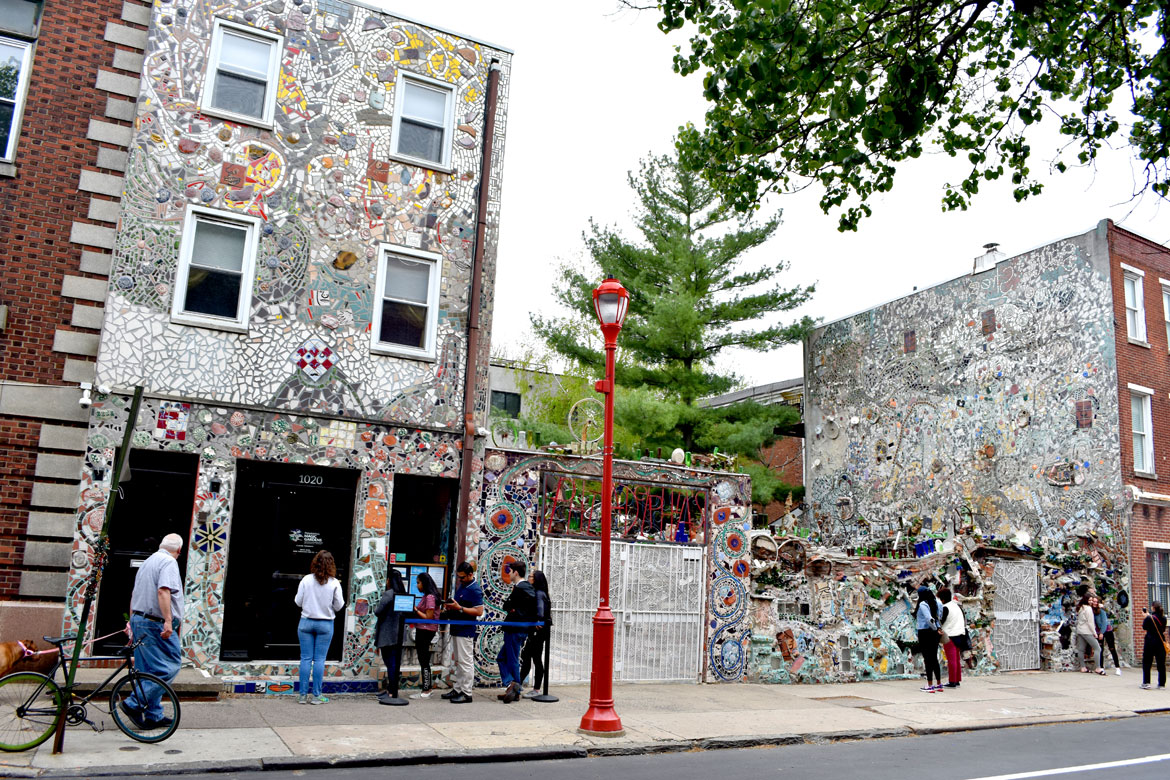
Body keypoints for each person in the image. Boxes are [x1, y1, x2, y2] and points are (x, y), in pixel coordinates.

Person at [121, 533, 184, 729]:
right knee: (171, 666)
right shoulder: (168, 562)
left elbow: (135, 592)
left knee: (147, 670)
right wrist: (167, 621)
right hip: (155, 624)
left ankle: (153, 715)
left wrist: (131, 621)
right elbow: (163, 591)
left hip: (140, 620)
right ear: (179, 551)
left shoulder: (148, 561)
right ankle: (133, 703)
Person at [294, 550, 345, 704]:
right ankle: (316, 696)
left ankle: (302, 696)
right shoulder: (335, 583)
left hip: (306, 622)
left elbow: (298, 601)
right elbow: (339, 605)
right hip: (325, 623)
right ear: (331, 565)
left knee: (305, 659)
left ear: (315, 563)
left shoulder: (306, 580)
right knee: (319, 660)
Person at [442, 561, 483, 704]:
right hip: (457, 627)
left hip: (465, 629)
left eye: (463, 577)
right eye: (459, 577)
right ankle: (458, 688)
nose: (460, 580)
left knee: (466, 662)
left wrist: (459, 608)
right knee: (459, 661)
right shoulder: (463, 586)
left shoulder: (475, 589)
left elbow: (479, 611)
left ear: (471, 575)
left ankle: (467, 692)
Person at [497, 560, 536, 703]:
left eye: (510, 571)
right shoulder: (520, 588)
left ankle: (515, 688)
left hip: (515, 629)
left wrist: (517, 612)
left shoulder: (522, 588)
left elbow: (510, 605)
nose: (509, 574)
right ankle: (511, 686)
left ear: (516, 573)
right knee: (502, 657)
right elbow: (507, 605)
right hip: (514, 628)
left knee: (512, 659)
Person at [374, 568, 408, 704]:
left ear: (389, 580)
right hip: (398, 635)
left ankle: (392, 691)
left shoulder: (388, 594)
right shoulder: (403, 594)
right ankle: (390, 689)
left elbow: (378, 611)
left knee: (390, 664)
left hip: (388, 634)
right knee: (394, 664)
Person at [520, 570, 552, 698]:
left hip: (538, 631)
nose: (529, 578)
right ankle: (519, 684)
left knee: (534, 658)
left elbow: (540, 609)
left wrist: (538, 619)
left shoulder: (539, 594)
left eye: (531, 577)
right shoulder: (540, 593)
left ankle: (536, 688)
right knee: (528, 656)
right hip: (538, 630)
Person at [410, 572, 441, 699]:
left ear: (424, 583)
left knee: (423, 659)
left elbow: (429, 617)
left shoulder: (429, 597)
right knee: (423, 659)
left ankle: (427, 688)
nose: (417, 585)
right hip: (422, 629)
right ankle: (427, 686)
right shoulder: (427, 596)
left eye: (418, 582)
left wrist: (415, 610)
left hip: (425, 630)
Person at [914, 585, 943, 692]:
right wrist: (938, 628)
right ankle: (939, 684)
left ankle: (930, 685)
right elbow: (939, 617)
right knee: (934, 658)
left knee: (927, 659)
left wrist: (934, 628)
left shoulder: (923, 604)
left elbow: (928, 618)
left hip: (924, 633)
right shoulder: (938, 603)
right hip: (935, 634)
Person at [938, 588, 968, 688]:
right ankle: (957, 680)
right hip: (960, 634)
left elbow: (941, 621)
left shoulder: (945, 608)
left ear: (942, 599)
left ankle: (952, 681)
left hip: (950, 635)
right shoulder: (956, 606)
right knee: (956, 659)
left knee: (951, 660)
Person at [1074, 593, 1104, 675]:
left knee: (1081, 649)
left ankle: (1083, 667)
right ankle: (1098, 667)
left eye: (1091, 600)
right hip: (1087, 631)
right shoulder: (1088, 609)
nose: (1091, 602)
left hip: (1080, 630)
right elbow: (1090, 622)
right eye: (1089, 600)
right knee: (1097, 648)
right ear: (1086, 600)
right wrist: (1094, 633)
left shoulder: (1080, 608)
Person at [1141, 602, 1167, 690]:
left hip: (1150, 642)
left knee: (1147, 662)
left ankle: (1146, 682)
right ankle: (1162, 683)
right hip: (1160, 642)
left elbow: (1144, 627)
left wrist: (1146, 617)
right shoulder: (1164, 618)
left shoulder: (1149, 618)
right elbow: (1163, 629)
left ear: (1153, 608)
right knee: (1161, 663)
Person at [1093, 598, 1121, 675]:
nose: (1095, 603)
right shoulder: (1092, 611)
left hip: (1107, 631)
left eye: (1096, 602)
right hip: (1099, 632)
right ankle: (1101, 667)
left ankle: (1117, 668)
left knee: (1112, 648)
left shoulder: (1102, 611)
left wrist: (1102, 632)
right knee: (1100, 649)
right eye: (1094, 602)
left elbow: (1105, 622)